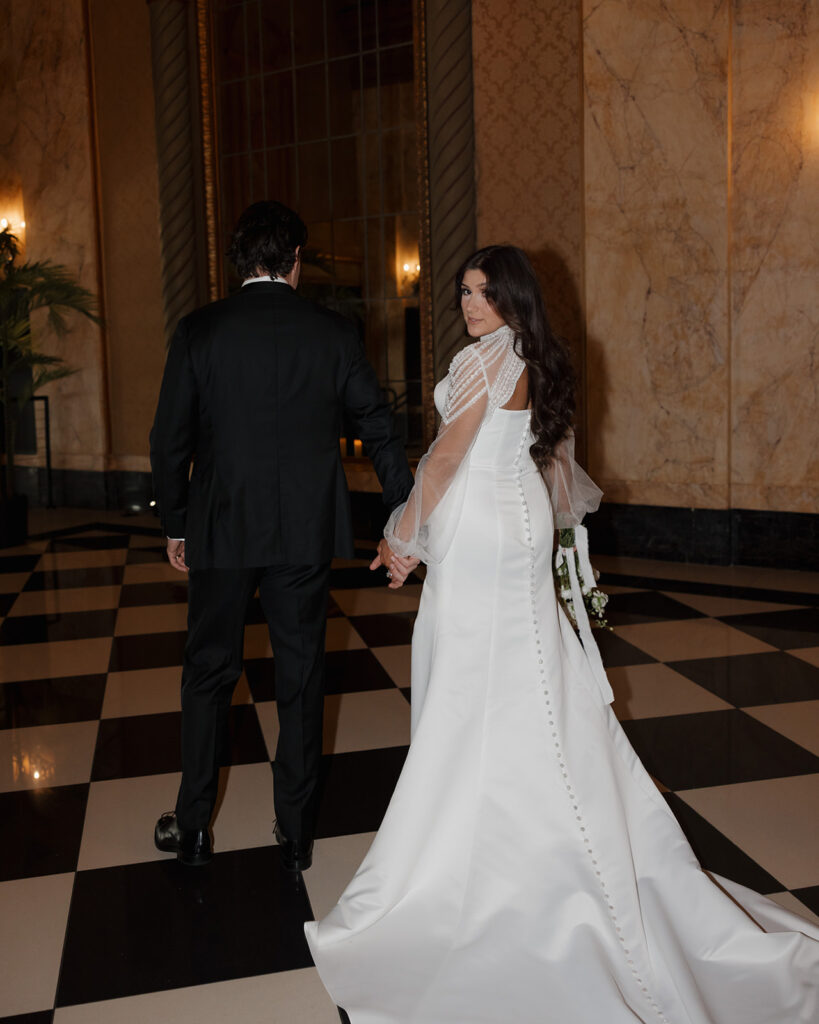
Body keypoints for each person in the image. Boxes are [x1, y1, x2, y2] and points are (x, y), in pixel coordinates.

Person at [305, 245, 819, 1023]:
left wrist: (403, 537)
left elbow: (445, 460)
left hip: (480, 532)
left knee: (470, 687)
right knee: (525, 680)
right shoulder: (539, 357)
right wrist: (550, 543)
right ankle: (541, 824)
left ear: (512, 295)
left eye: (483, 291)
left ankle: (474, 855)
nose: (469, 303)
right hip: (518, 528)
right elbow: (549, 467)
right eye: (464, 291)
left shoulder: (485, 359)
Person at [149, 201, 415, 870]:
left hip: (219, 526)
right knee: (300, 675)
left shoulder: (199, 330)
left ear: (240, 259)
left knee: (209, 672)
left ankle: (194, 826)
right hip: (302, 530)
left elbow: (167, 439)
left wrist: (176, 522)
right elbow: (377, 426)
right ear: (294, 259)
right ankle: (294, 834)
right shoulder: (331, 332)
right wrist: (403, 513)